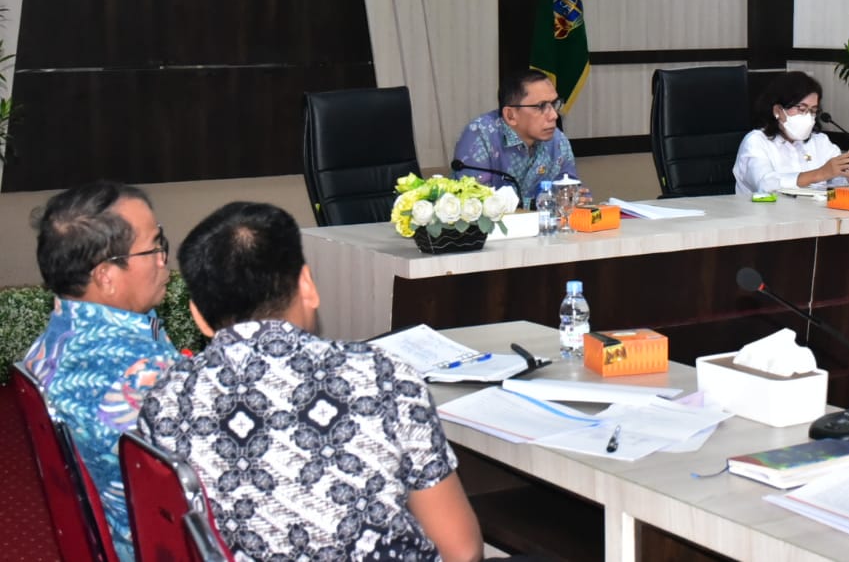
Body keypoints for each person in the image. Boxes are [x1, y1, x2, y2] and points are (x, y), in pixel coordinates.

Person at [139, 202, 484, 562]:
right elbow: (461, 549)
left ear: (198, 317)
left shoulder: (164, 400)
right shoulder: (384, 376)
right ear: (307, 285)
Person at [23, 181, 179, 562]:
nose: (163, 259)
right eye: (154, 247)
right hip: (157, 543)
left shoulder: (51, 343)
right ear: (106, 276)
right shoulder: (139, 372)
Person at [452, 68, 581, 205]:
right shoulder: (480, 136)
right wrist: (541, 203)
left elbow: (570, 191)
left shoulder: (557, 140)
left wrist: (574, 198)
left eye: (554, 104)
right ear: (510, 115)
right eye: (541, 106)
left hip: (545, 225)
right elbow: (474, 204)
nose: (554, 115)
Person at [733, 71, 849, 195]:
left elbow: (837, 180)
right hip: (765, 218)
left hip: (815, 216)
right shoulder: (756, 142)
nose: (808, 117)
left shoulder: (819, 141)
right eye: (801, 109)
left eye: (813, 111)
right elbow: (766, 184)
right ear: (778, 111)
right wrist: (820, 173)